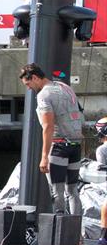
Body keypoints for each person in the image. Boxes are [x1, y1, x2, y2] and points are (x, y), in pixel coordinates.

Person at [19, 63, 84, 215]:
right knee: (73, 191)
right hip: (75, 145)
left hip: (59, 147)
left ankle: (61, 233)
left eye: (28, 84)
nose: (28, 88)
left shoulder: (44, 95)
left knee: (57, 191)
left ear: (35, 77)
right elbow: (80, 113)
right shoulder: (65, 87)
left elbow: (48, 127)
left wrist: (43, 157)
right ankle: (77, 233)